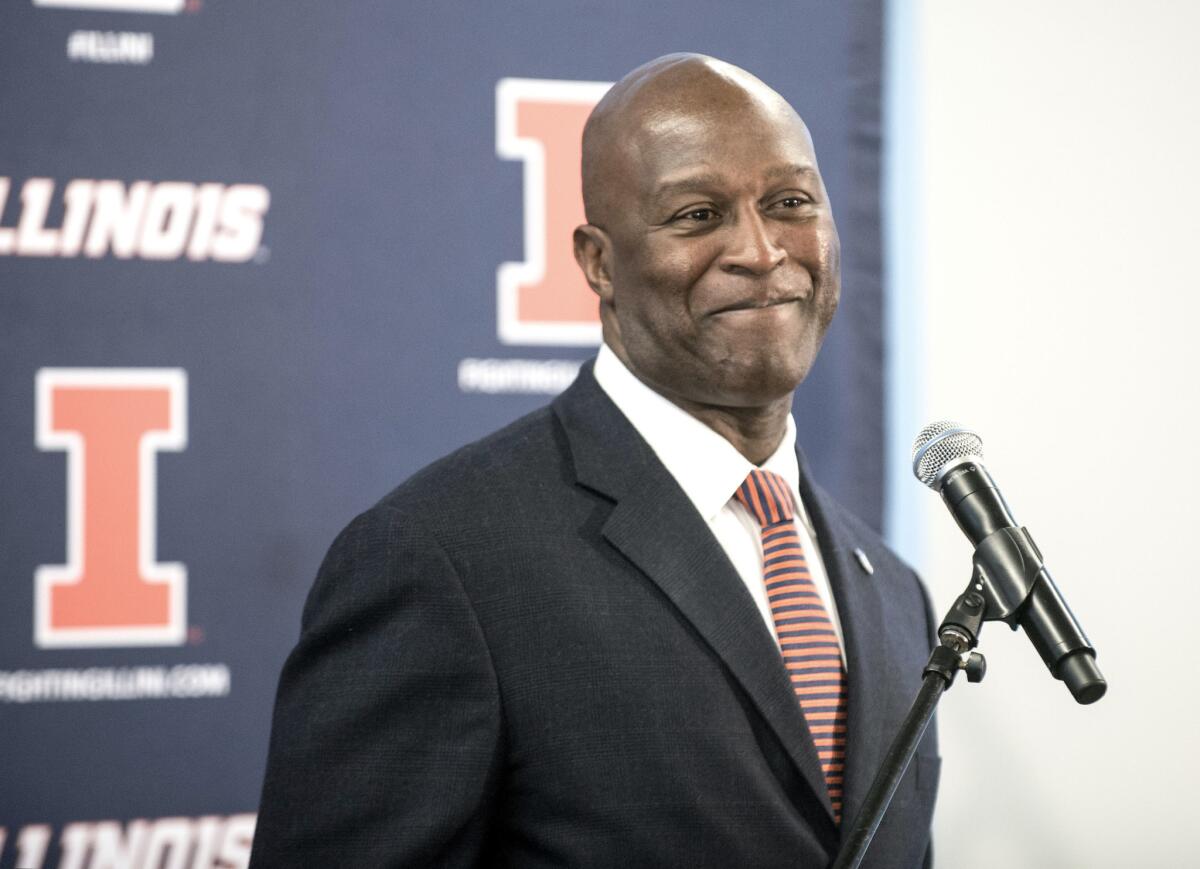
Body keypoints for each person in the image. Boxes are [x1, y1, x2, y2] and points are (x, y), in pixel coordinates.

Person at [250, 54, 939, 867]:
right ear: (599, 263)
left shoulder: (897, 594)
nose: (759, 250)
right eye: (697, 214)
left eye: (790, 203)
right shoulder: (442, 561)